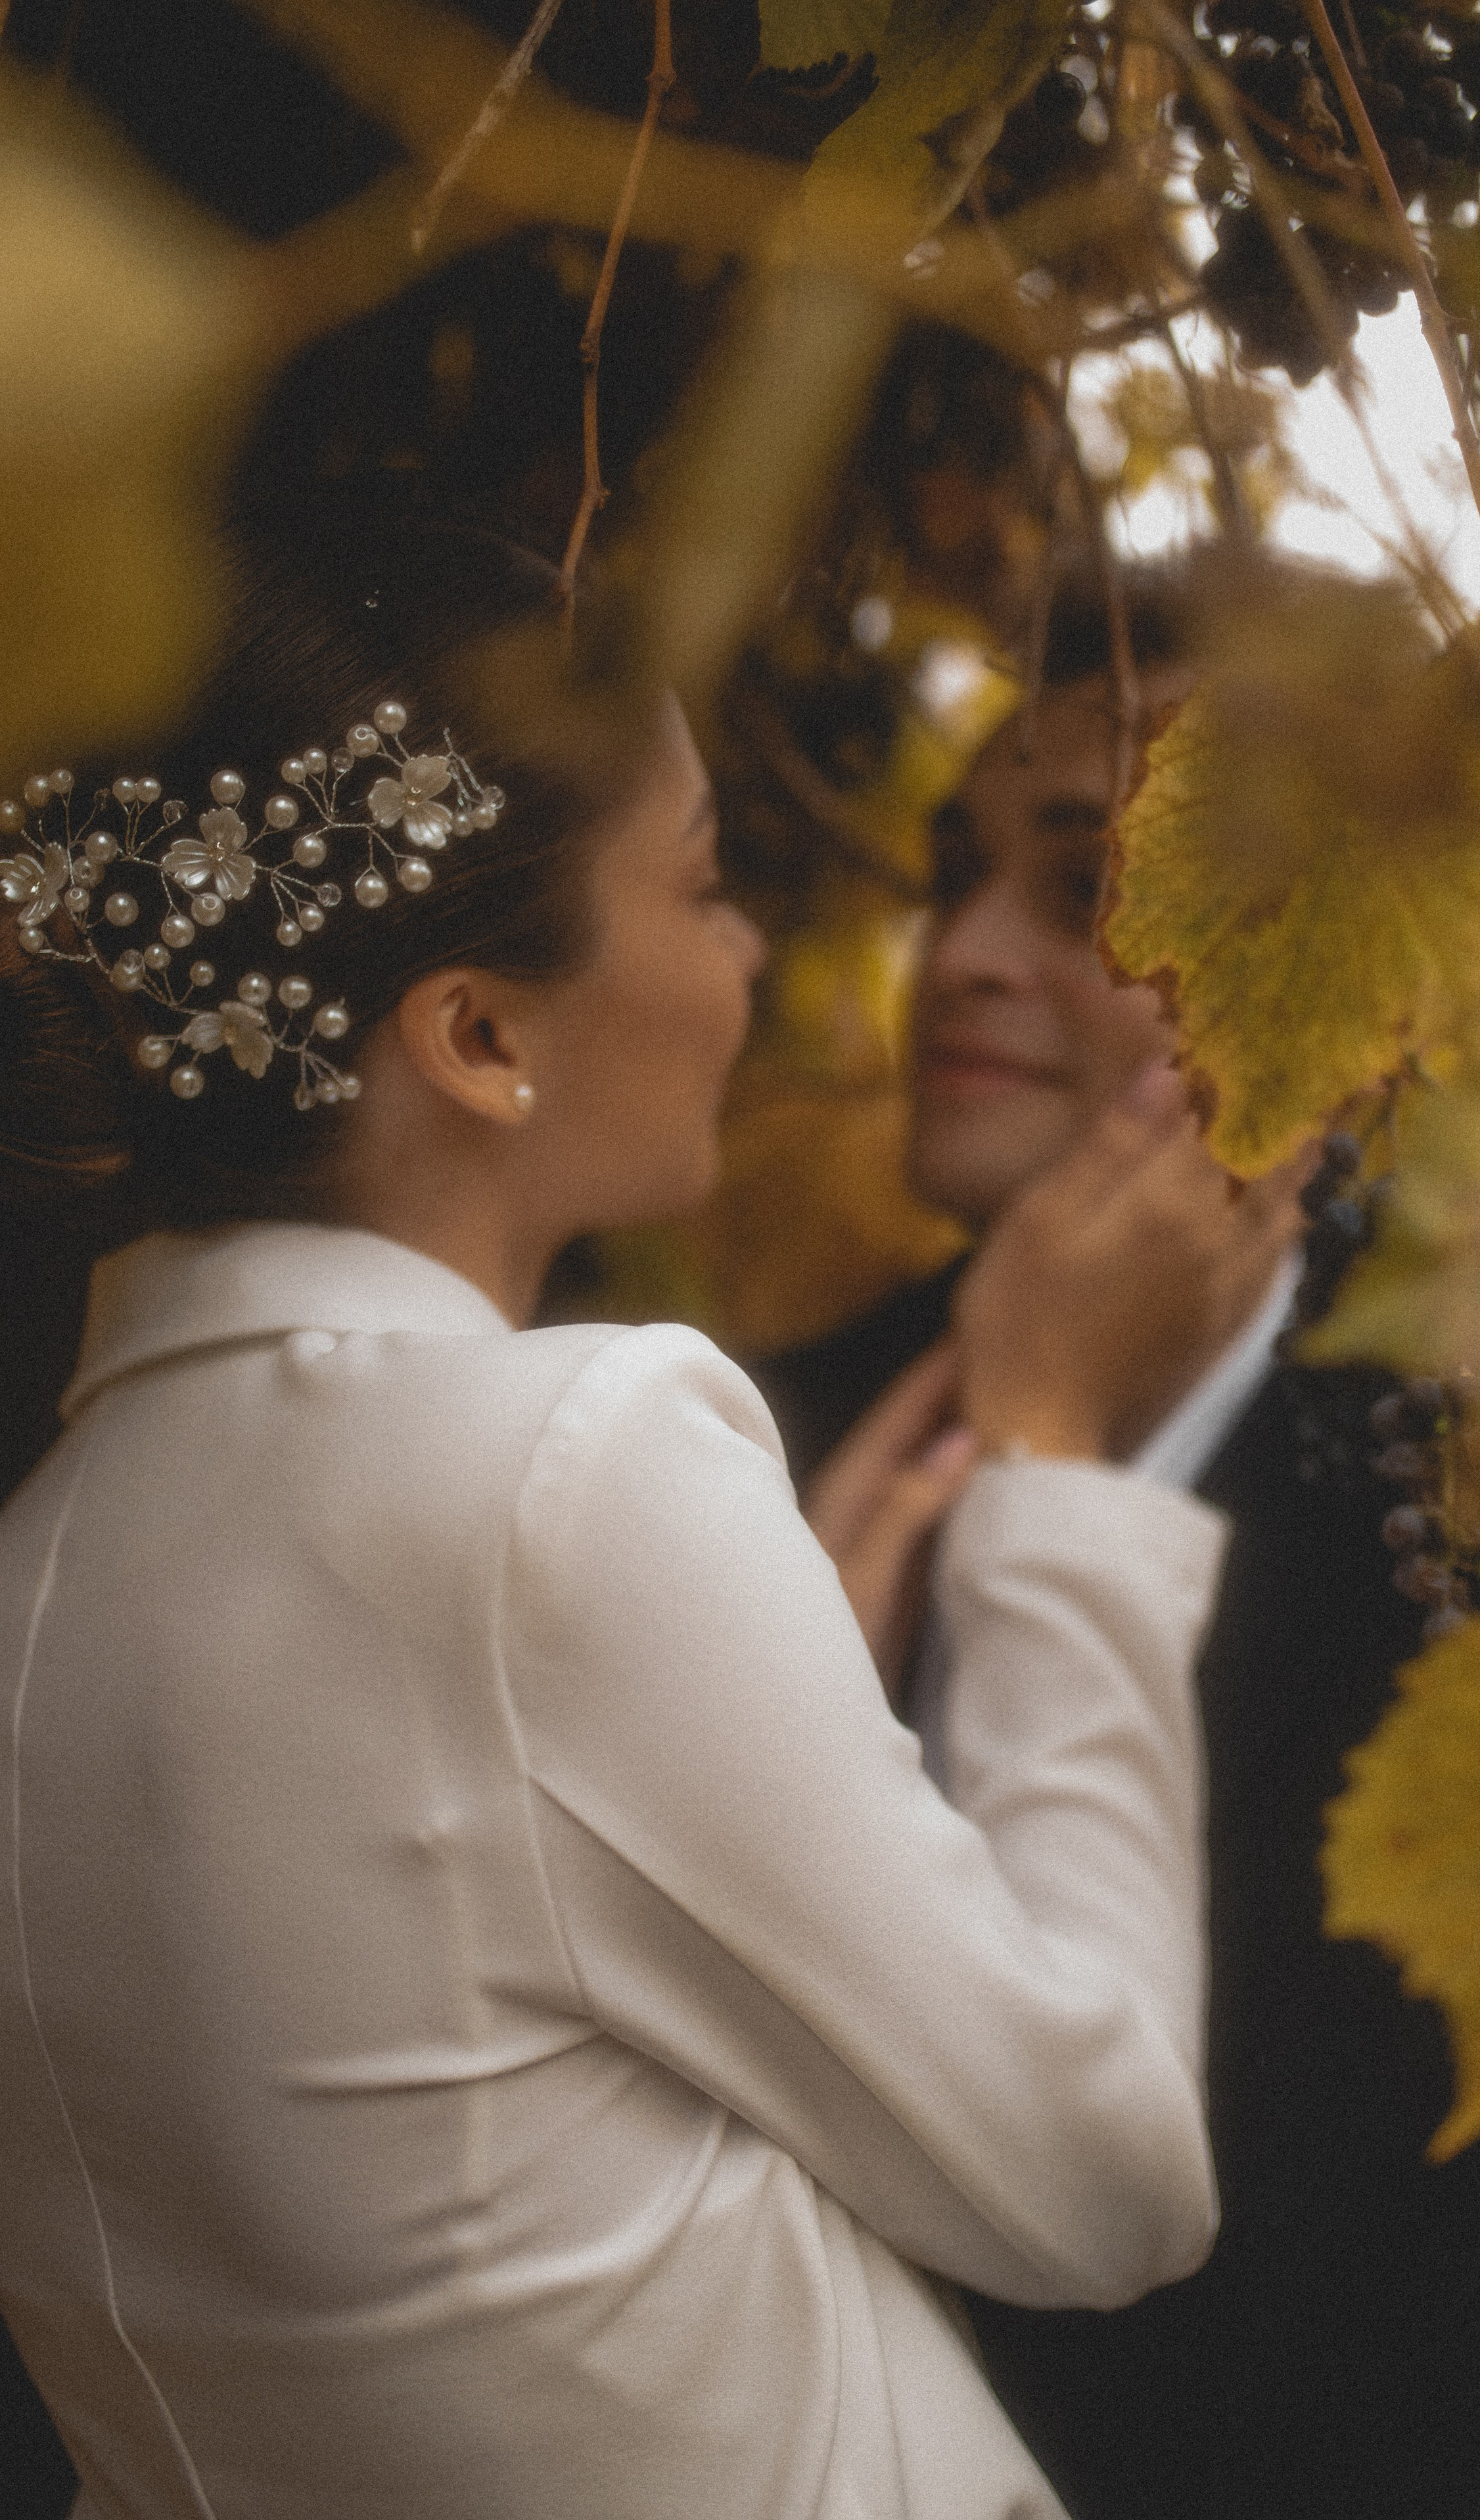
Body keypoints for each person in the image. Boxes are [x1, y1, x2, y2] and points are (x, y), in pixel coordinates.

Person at [0, 501, 1303, 2520]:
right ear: (482, 1033)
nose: (760, 949)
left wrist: (793, 1702)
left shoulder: (37, 1581)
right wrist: (1049, 1466)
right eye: (704, 882)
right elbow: (1109, 2175)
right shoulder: (566, 1461)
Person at [758, 576, 1480, 2520]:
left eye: (1093, 881)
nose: (971, 955)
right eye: (962, 867)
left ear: (1358, 956)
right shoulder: (735, 1438)